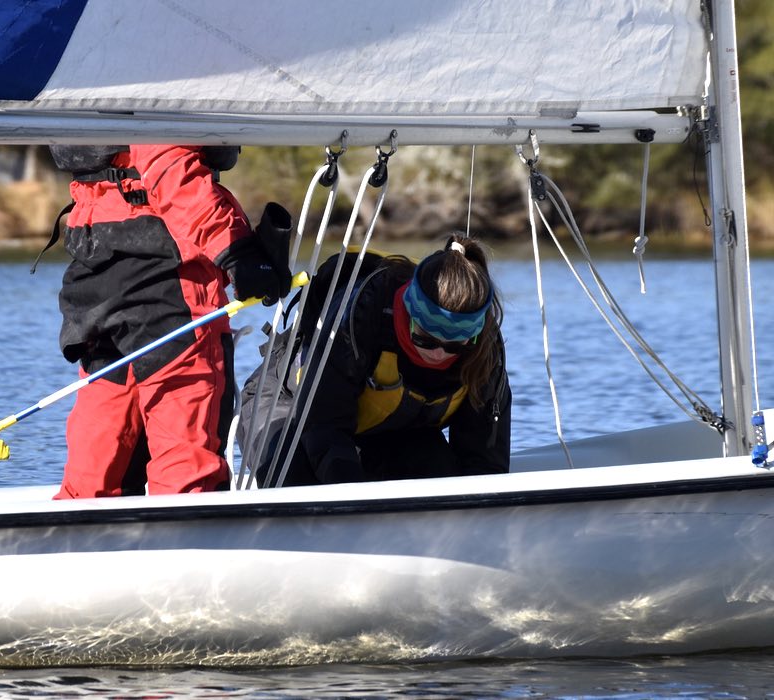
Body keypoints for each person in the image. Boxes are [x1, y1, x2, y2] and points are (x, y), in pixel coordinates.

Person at [50, 144, 291, 498]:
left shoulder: (98, 102)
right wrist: (237, 252)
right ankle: (188, 540)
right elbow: (168, 164)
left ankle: (75, 538)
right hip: (171, 286)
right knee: (186, 469)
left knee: (96, 464)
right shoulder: (158, 98)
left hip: (97, 278)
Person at [239, 234, 511, 487]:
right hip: (288, 403)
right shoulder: (363, 315)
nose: (439, 352)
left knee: (437, 469)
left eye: (455, 344)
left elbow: (483, 463)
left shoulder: (484, 351)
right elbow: (323, 427)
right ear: (409, 313)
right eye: (426, 339)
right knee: (293, 469)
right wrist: (353, 506)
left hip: (388, 431)